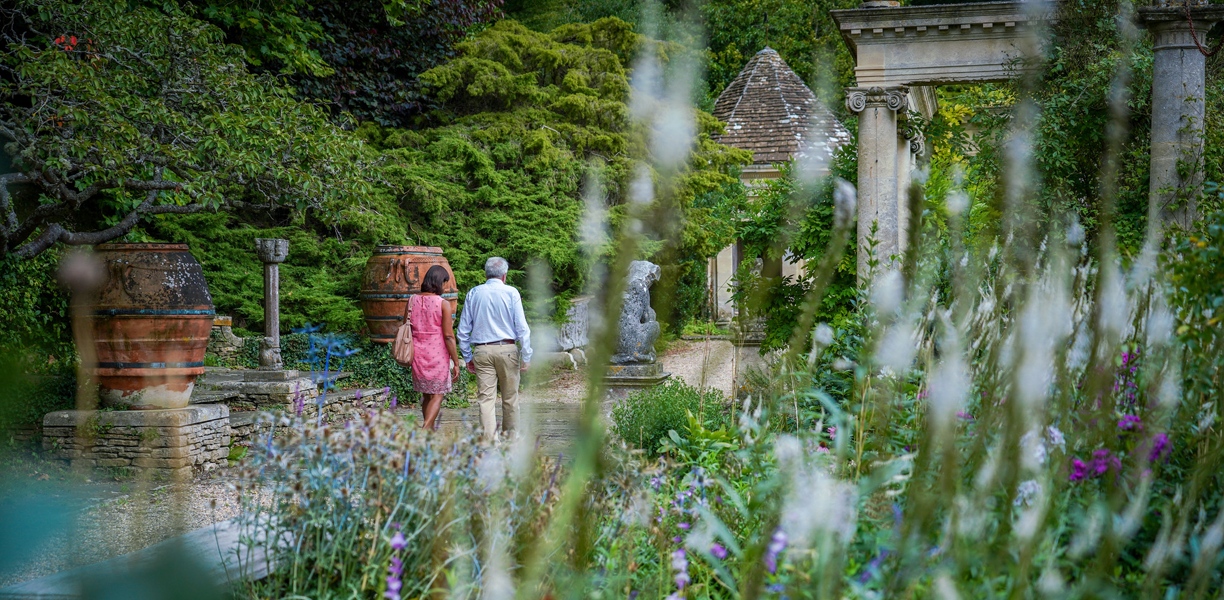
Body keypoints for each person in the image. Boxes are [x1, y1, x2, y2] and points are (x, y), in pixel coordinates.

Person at [457, 257, 532, 441]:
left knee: (486, 400)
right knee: (510, 398)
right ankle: (511, 438)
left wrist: (467, 357)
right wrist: (527, 354)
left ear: (485, 274)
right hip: (507, 350)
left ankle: (490, 442)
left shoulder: (474, 293)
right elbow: (522, 327)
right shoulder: (511, 293)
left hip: (482, 351)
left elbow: (463, 330)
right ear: (504, 276)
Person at [409, 265, 462, 430]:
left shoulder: (411, 300)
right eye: (445, 283)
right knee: (437, 395)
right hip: (437, 355)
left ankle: (429, 432)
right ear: (439, 282)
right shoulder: (443, 304)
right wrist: (456, 361)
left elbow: (406, 326)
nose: (445, 287)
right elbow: (448, 336)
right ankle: (425, 429)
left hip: (417, 353)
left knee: (426, 395)